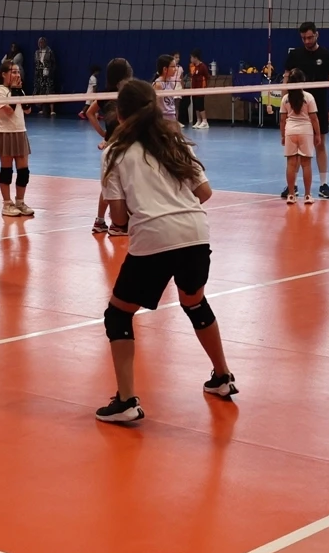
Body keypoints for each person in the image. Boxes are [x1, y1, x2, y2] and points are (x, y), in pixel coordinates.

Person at [95, 79, 236, 423]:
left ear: (121, 115)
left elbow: (119, 219)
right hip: (195, 232)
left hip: (155, 237)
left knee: (118, 315)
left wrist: (145, 207)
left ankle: (126, 401)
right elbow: (204, 192)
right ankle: (222, 377)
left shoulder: (115, 152)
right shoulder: (175, 142)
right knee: (194, 301)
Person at [284, 23, 329, 198]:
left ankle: (323, 185)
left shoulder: (327, 55)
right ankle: (293, 186)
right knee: (295, 149)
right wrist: (284, 105)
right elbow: (286, 79)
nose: (307, 41)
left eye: (309, 37)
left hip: (319, 106)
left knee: (320, 144)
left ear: (317, 35)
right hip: (297, 107)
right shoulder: (294, 55)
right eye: (303, 38)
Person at [85, 58, 134, 235]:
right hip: (122, 145)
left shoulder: (106, 94)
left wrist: (104, 134)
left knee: (110, 185)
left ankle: (101, 221)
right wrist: (105, 135)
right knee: (120, 184)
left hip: (113, 145)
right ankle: (118, 223)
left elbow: (89, 113)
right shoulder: (127, 94)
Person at [0, 60, 34, 217]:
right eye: (13, 72)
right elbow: (9, 111)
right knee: (6, 171)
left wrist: (19, 91)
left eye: (18, 72)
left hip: (20, 131)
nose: (17, 75)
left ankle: (20, 202)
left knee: (24, 172)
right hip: (5, 133)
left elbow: (28, 110)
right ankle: (7, 204)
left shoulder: (18, 90)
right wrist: (15, 91)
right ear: (4, 74)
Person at [280, 69, 320, 204]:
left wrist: (283, 135)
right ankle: (307, 195)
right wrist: (318, 134)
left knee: (291, 164)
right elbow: (314, 118)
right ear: (303, 81)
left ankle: (291, 195)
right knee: (306, 164)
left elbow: (282, 120)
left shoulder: (285, 99)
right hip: (305, 132)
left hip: (290, 131)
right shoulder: (309, 97)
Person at [33, 37, 58, 117]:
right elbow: (36, 63)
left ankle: (52, 110)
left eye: (42, 42)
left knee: (50, 90)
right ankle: (41, 108)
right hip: (40, 74)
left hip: (48, 74)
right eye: (40, 42)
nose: (41, 44)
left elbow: (53, 63)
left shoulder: (50, 52)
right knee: (41, 90)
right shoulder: (37, 52)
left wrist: (50, 71)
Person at [154, 54, 181, 124]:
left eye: (176, 66)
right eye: (173, 67)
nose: (175, 69)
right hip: (162, 118)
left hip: (172, 115)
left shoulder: (171, 83)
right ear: (165, 69)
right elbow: (156, 106)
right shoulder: (158, 84)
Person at [187, 50, 210, 128]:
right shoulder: (191, 66)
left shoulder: (203, 66)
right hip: (194, 89)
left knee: (200, 105)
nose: (190, 59)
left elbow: (207, 77)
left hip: (201, 89)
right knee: (195, 105)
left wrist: (205, 87)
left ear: (195, 58)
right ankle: (198, 121)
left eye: (191, 57)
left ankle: (205, 121)